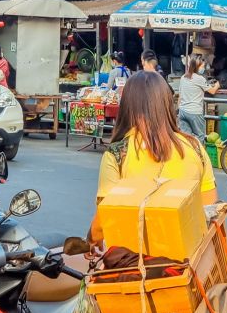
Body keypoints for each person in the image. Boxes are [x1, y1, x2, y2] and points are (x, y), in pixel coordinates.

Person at [88, 71, 217, 250]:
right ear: (166, 104)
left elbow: (104, 220)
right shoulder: (194, 147)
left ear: (127, 106)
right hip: (189, 260)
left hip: (135, 262)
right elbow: (209, 208)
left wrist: (91, 240)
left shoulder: (117, 154)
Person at [178, 54, 219, 142]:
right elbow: (212, 91)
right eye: (203, 66)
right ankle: (199, 155)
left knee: (186, 138)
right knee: (200, 137)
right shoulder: (199, 79)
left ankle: (188, 155)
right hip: (194, 113)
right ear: (197, 67)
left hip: (183, 112)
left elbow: (180, 96)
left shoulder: (183, 77)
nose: (203, 68)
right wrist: (217, 85)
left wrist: (178, 111)